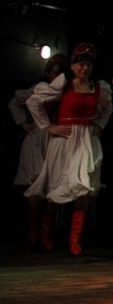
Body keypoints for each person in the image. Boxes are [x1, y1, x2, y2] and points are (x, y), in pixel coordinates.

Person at [23, 44, 113, 255]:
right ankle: (46, 233)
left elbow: (107, 108)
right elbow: (33, 102)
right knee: (57, 187)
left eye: (88, 64)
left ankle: (75, 240)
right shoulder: (63, 84)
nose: (85, 68)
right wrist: (48, 126)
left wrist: (99, 125)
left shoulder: (98, 88)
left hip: (86, 141)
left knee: (83, 189)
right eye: (80, 64)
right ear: (72, 66)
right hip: (64, 141)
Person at [9, 52, 68, 246]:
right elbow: (14, 102)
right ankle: (33, 231)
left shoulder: (68, 91)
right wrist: (24, 124)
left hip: (58, 138)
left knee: (54, 185)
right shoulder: (39, 89)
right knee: (34, 184)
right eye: (55, 72)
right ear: (49, 73)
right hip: (37, 138)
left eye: (61, 73)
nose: (57, 77)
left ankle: (46, 232)